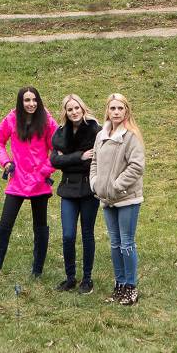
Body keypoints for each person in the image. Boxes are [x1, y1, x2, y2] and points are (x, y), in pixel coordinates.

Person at [0, 85, 56, 288]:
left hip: (40, 182)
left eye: (34, 100)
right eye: (27, 100)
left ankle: (37, 270)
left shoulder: (47, 120)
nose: (31, 104)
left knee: (40, 227)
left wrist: (46, 170)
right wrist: (6, 162)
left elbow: (58, 147)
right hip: (17, 180)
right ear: (20, 102)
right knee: (4, 226)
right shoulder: (12, 118)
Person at [91, 92, 146, 306]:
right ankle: (120, 284)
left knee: (126, 243)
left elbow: (137, 166)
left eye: (120, 108)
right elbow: (94, 161)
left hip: (126, 199)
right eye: (112, 108)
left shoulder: (131, 136)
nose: (116, 112)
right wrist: (95, 182)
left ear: (126, 111)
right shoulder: (101, 135)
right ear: (107, 110)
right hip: (106, 198)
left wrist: (116, 185)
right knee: (114, 244)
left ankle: (131, 287)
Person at [49, 93, 101, 294]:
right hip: (68, 189)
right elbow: (54, 161)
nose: (74, 112)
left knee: (87, 233)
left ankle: (87, 279)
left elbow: (94, 159)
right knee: (68, 235)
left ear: (82, 108)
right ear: (65, 112)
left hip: (89, 188)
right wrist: (79, 156)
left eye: (76, 108)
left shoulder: (95, 130)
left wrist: (67, 159)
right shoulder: (61, 133)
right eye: (69, 109)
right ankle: (70, 277)